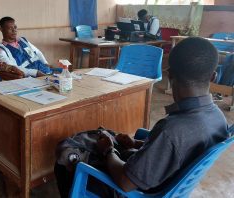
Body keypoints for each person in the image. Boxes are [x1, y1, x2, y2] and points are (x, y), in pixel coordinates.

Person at [54, 37, 229, 197]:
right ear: (213, 76)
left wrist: (108, 150)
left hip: (135, 190)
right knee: (108, 136)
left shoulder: (171, 131)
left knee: (66, 157)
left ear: (170, 75)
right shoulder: (219, 118)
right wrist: (138, 144)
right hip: (163, 180)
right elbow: (177, 153)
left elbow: (125, 182)